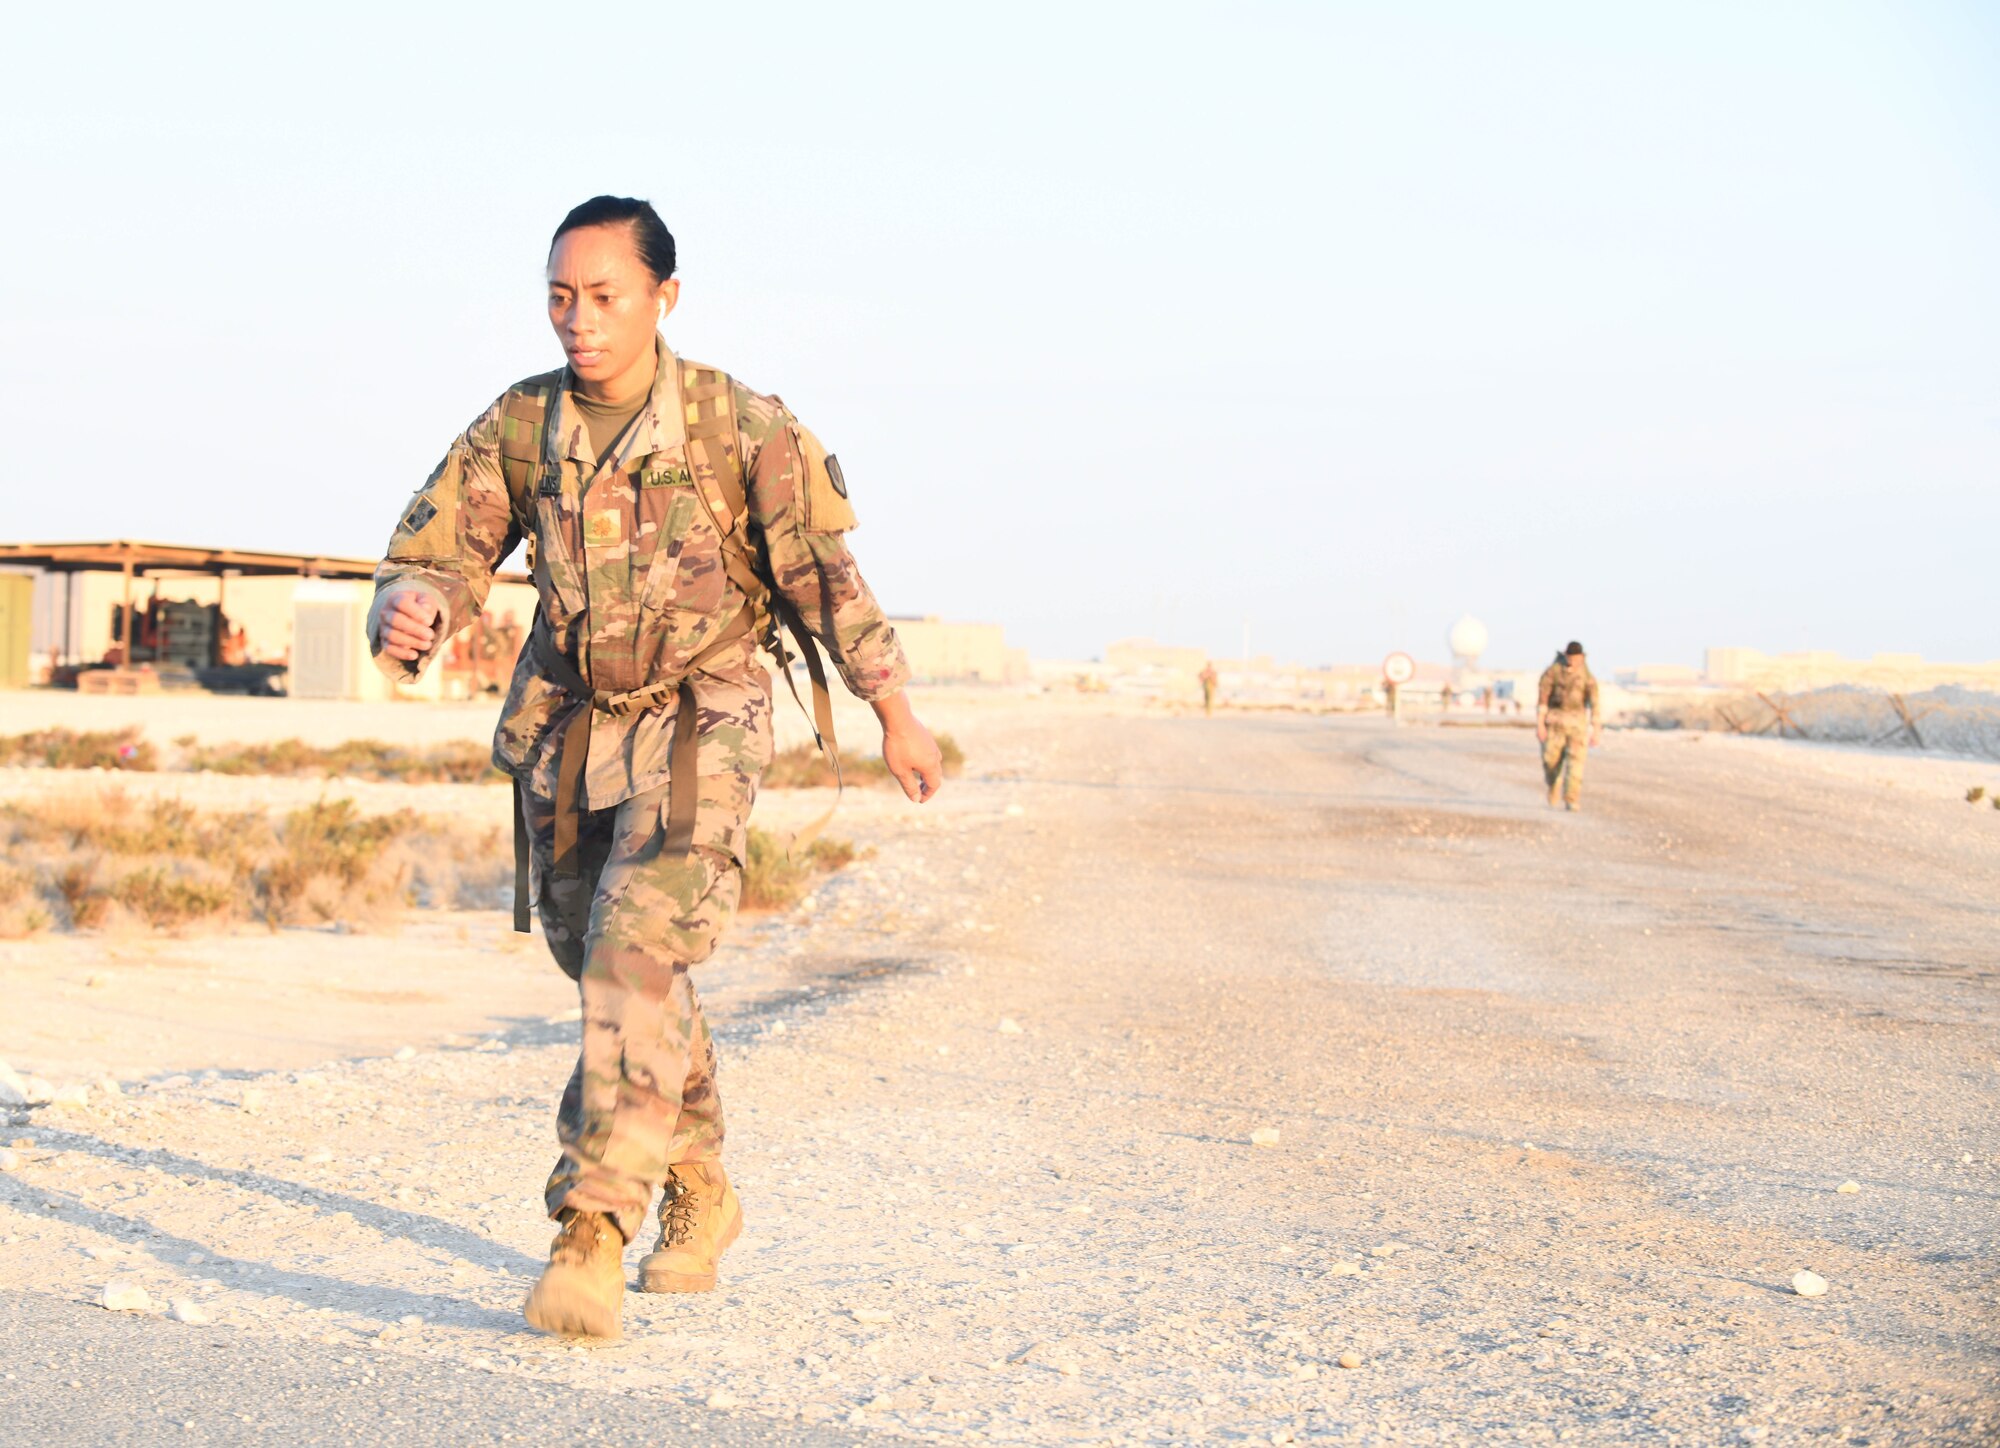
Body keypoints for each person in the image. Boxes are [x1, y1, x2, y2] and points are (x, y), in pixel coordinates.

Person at [367, 196, 944, 1340]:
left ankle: (592, 1227)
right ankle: (701, 1182)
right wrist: (414, 602)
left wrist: (895, 708)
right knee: (612, 963)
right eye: (558, 297)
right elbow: (436, 547)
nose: (576, 321)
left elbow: (822, 573)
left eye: (603, 296)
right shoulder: (522, 424)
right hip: (569, 723)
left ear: (662, 298)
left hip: (703, 715)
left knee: (634, 952)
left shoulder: (738, 424)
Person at [1536, 641, 1601, 811]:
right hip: (1555, 722)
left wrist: (1596, 729)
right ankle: (1553, 783)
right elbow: (1543, 698)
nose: (1574, 661)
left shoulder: (1586, 675)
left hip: (1577, 724)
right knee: (1550, 761)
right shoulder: (1553, 672)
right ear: (1566, 655)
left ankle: (1571, 799)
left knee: (1576, 764)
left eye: (1577, 658)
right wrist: (1540, 724)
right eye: (1571, 657)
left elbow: (1595, 702)